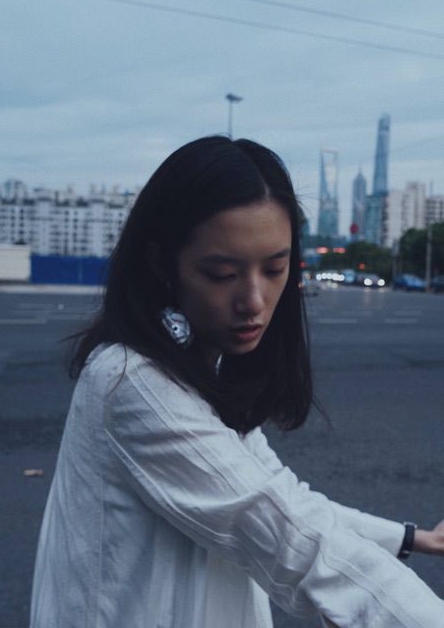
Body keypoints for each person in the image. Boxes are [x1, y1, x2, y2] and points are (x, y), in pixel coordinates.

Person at [30, 136, 444, 627]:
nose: (254, 300)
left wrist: (413, 538)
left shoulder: (197, 369)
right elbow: (287, 536)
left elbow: (285, 501)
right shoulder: (133, 382)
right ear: (162, 263)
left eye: (275, 269)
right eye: (223, 273)